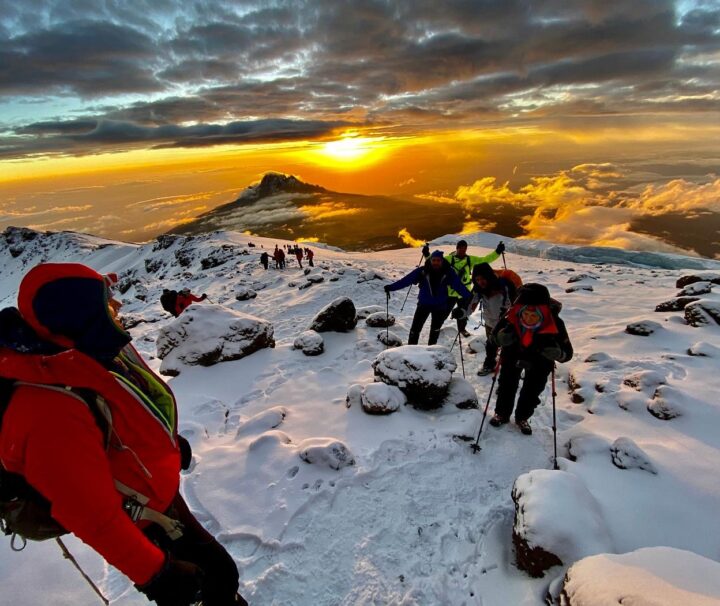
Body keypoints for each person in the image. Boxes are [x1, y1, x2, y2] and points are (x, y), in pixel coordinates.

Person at [0, 263, 245, 605]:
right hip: (141, 519)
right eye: (107, 303)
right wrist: (156, 575)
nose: (117, 309)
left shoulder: (88, 353)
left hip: (155, 495)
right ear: (79, 313)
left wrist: (168, 445)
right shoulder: (47, 410)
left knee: (221, 576)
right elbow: (92, 516)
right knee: (211, 581)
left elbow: (126, 415)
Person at [489, 283, 573, 435]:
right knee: (506, 386)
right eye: (525, 314)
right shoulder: (510, 317)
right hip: (512, 355)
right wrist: (499, 338)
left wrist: (558, 354)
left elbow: (568, 353)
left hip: (540, 362)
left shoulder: (555, 323)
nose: (528, 319)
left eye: (534, 315)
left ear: (544, 313)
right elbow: (492, 338)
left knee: (532, 391)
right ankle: (502, 414)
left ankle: (522, 417)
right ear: (519, 310)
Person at [385, 250, 471, 345]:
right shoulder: (423, 271)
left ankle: (431, 350)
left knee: (435, 330)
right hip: (424, 304)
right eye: (434, 260)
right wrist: (391, 287)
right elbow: (406, 280)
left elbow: (458, 286)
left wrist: (470, 297)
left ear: (442, 261)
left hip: (440, 306)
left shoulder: (448, 272)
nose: (436, 262)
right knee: (415, 329)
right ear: (430, 260)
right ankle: (410, 350)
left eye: (438, 260)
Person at [424, 239, 505, 338]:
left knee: (464, 311)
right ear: (457, 248)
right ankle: (437, 327)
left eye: (464, 249)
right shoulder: (449, 259)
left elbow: (485, 260)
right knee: (444, 312)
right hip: (450, 292)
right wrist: (427, 254)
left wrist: (498, 251)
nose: (462, 251)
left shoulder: (470, 259)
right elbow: (435, 262)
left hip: (464, 292)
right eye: (460, 249)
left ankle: (462, 329)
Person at [467, 263, 518, 375]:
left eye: (483, 278)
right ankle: (489, 365)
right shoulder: (478, 289)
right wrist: (460, 313)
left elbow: (515, 304)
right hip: (490, 323)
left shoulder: (505, 286)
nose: (480, 282)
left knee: (508, 348)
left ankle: (509, 369)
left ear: (489, 276)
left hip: (506, 323)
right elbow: (470, 305)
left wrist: (508, 317)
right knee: (491, 346)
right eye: (477, 279)